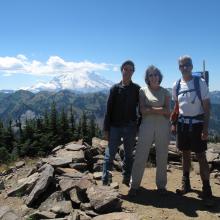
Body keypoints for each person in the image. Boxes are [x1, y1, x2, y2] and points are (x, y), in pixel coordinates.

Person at [171, 55, 213, 205]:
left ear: (192, 66)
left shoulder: (199, 82)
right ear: (179, 68)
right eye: (182, 65)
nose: (185, 67)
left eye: (187, 64)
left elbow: (207, 107)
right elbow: (176, 106)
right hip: (182, 124)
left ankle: (207, 188)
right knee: (185, 154)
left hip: (197, 125)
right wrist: (174, 122)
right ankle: (186, 183)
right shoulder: (176, 84)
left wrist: (206, 128)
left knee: (201, 156)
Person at [129, 65, 170, 196]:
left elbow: (168, 112)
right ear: (147, 78)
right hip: (146, 126)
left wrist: (150, 108)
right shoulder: (143, 90)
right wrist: (160, 109)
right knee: (141, 154)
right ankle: (134, 185)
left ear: (159, 76)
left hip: (163, 126)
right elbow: (142, 110)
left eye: (155, 74)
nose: (153, 77)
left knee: (162, 155)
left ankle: (161, 186)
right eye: (150, 75)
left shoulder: (165, 92)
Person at [102, 60, 140, 186]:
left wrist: (138, 126)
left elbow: (141, 109)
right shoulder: (114, 89)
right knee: (110, 155)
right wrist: (106, 129)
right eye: (126, 69)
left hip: (130, 127)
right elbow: (108, 110)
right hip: (114, 127)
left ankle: (126, 178)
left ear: (133, 72)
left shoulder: (136, 89)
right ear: (121, 70)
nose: (128, 72)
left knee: (129, 155)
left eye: (131, 70)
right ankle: (106, 180)